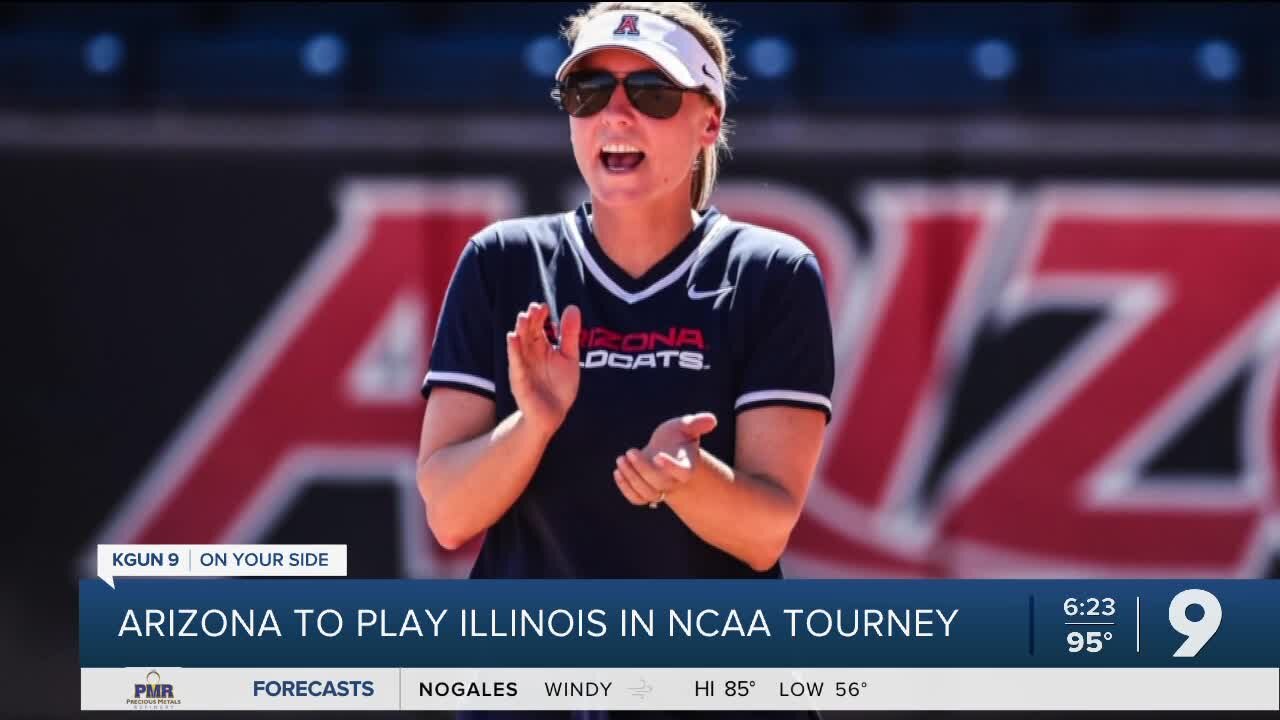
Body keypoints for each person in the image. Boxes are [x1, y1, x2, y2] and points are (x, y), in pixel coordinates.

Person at [417, 1, 834, 583]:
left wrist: (688, 479)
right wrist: (532, 424)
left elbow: (764, 536)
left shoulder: (771, 273)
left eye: (651, 93)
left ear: (709, 121)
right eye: (587, 92)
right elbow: (449, 516)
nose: (615, 114)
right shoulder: (500, 262)